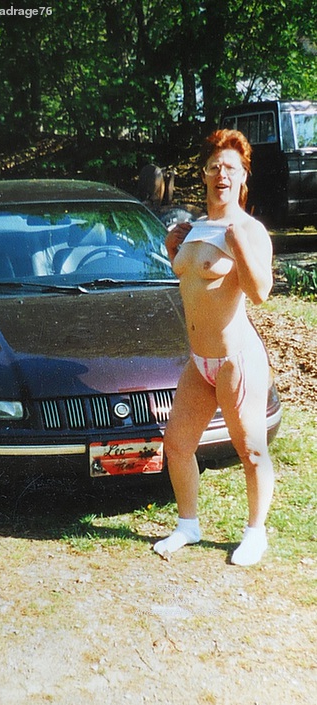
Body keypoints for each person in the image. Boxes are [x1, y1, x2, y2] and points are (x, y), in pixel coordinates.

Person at [153, 129, 275, 566]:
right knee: (177, 445)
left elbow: (260, 293)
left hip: (235, 360)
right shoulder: (193, 227)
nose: (221, 174)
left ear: (243, 178)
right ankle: (188, 525)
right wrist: (172, 249)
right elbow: (190, 278)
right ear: (204, 174)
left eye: (230, 168)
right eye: (214, 167)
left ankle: (256, 533)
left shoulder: (249, 230)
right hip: (199, 360)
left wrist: (239, 246)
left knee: (251, 449)